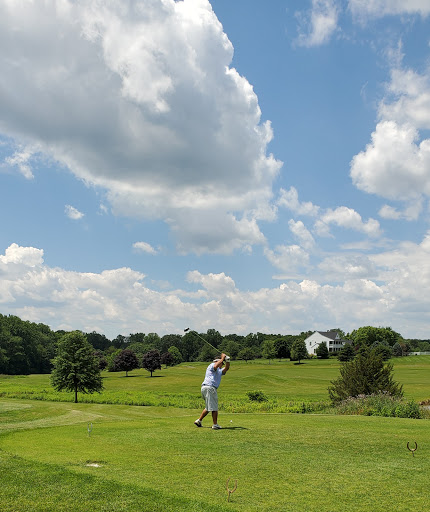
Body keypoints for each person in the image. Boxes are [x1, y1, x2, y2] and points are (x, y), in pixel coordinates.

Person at [194, 353, 230, 429]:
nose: (222, 364)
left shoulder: (219, 371)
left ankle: (199, 420)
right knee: (214, 407)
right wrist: (222, 358)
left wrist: (228, 360)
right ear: (217, 361)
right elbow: (215, 366)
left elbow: (226, 368)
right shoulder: (212, 365)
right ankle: (215, 424)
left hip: (206, 388)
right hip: (210, 387)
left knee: (208, 407)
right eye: (221, 363)